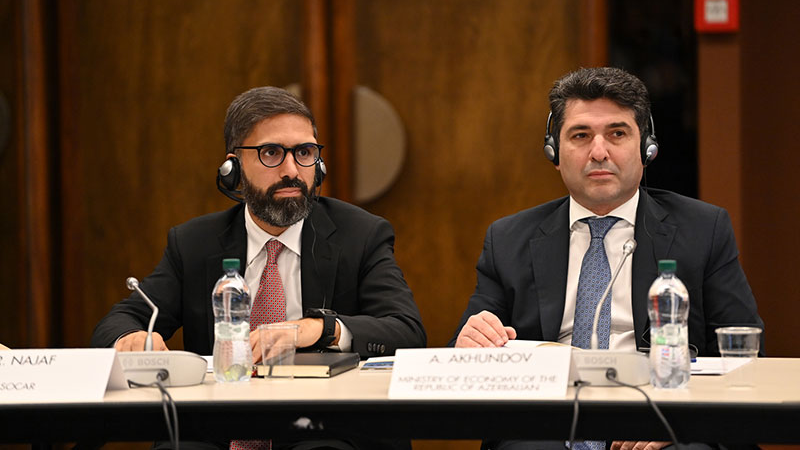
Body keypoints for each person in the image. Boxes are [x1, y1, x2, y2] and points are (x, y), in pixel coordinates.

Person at [92, 86, 426, 449]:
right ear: (233, 167)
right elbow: (122, 320)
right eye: (271, 153)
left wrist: (319, 329)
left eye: (304, 153)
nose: (291, 170)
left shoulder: (360, 235)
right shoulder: (194, 243)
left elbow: (406, 330)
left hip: (326, 429)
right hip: (219, 431)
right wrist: (131, 339)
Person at [452, 67, 763, 450]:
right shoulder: (508, 238)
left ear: (647, 148)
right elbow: (468, 351)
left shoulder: (702, 229)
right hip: (546, 424)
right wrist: (471, 340)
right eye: (580, 136)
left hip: (664, 417)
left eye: (617, 134)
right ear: (554, 152)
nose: (599, 152)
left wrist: (675, 419)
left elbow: (743, 352)